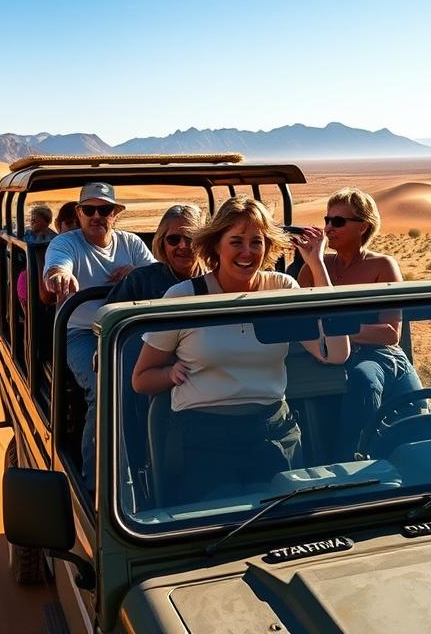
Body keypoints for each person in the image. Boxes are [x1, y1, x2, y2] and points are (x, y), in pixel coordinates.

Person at [132, 196, 349, 503]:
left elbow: (335, 353)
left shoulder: (282, 290)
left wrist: (317, 265)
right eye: (236, 241)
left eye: (256, 242)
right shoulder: (183, 298)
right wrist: (169, 373)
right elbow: (141, 379)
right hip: (204, 441)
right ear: (215, 245)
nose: (247, 252)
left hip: (274, 436)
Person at [44, 183, 156, 491]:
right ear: (78, 213)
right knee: (104, 385)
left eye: (104, 209)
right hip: (81, 333)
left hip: (128, 331)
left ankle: (158, 468)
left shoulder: (130, 244)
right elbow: (57, 267)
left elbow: (155, 276)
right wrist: (60, 277)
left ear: (115, 214)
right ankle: (98, 484)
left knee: (165, 379)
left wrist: (136, 272)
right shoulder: (67, 244)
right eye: (88, 210)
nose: (96, 216)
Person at [297, 187, 423, 460]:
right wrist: (315, 263)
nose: (329, 228)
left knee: (365, 379)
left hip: (379, 356)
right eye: (327, 220)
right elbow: (302, 322)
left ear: (363, 226)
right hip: (328, 356)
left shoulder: (381, 266)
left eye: (339, 222)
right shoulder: (313, 267)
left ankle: (353, 458)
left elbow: (391, 334)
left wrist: (340, 332)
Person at [104, 204, 206, 306]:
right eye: (173, 239)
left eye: (191, 239)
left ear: (203, 241)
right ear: (162, 243)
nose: (183, 246)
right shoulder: (139, 282)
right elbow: (110, 318)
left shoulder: (216, 279)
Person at [18, 201, 78, 311]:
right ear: (58, 225)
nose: (74, 228)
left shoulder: (52, 238)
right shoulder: (55, 243)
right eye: (69, 223)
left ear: (47, 222)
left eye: (79, 224)